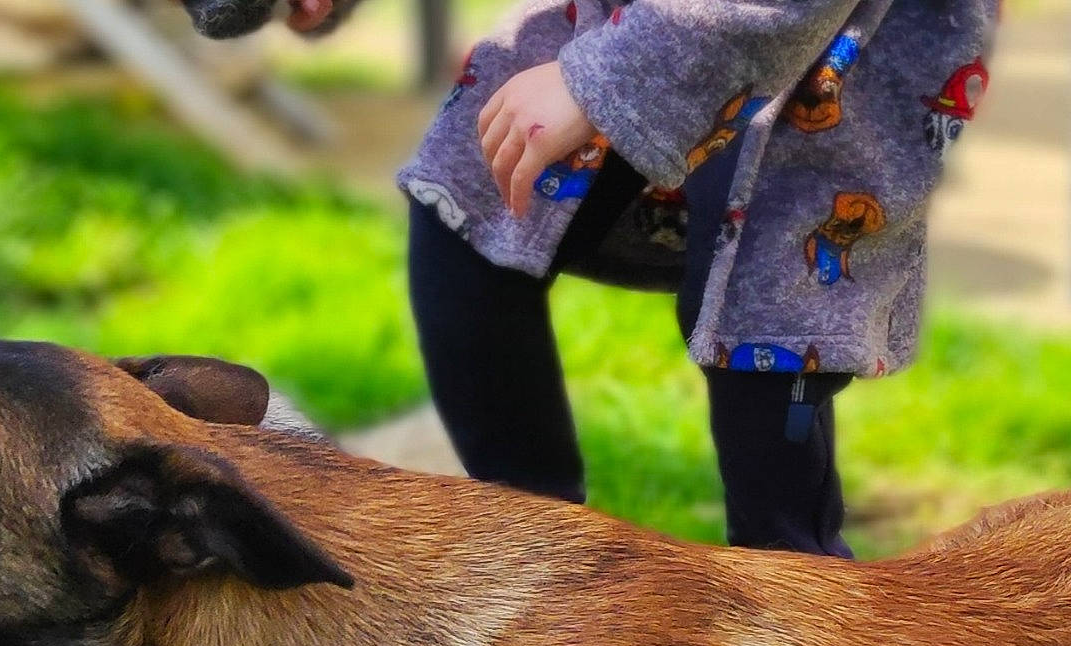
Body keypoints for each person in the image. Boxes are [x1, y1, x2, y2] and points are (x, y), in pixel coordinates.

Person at [386, 0, 998, 556]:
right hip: (626, 22)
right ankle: (540, 559)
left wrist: (600, 83)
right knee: (466, 211)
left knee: (770, 341)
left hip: (833, 55)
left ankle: (807, 620)